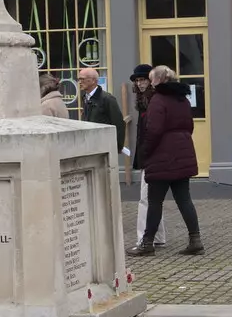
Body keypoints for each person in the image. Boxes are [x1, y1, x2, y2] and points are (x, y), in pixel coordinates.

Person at [130, 65, 203, 257]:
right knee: (184, 200)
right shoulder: (183, 100)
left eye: (152, 79)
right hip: (183, 153)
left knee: (155, 202)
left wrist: (145, 153)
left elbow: (153, 130)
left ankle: (147, 243)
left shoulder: (158, 100)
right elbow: (190, 126)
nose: (150, 82)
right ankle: (195, 240)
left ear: (159, 81)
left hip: (161, 157)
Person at [125, 63, 166, 250]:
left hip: (153, 155)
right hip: (150, 155)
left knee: (145, 198)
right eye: (138, 81)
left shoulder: (154, 100)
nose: (140, 84)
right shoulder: (144, 100)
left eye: (143, 80)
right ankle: (157, 236)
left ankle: (144, 238)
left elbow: (152, 132)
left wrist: (147, 155)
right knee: (153, 198)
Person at [77, 68, 125, 155]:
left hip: (103, 146)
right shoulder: (85, 97)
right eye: (79, 79)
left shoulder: (107, 99)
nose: (80, 82)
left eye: (82, 79)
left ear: (93, 80)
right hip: (88, 146)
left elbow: (118, 123)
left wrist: (117, 146)